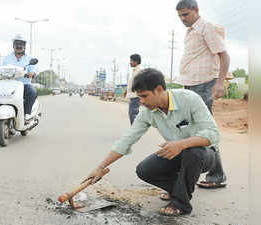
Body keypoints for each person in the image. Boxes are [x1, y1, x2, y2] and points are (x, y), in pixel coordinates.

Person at [83, 68, 219, 216]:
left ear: (159, 89)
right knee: (145, 170)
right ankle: (180, 189)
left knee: (193, 152)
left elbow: (213, 134)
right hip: (176, 153)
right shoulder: (147, 112)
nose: (141, 101)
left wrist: (182, 144)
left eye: (144, 96)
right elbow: (126, 140)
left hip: (204, 155)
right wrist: (100, 167)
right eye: (139, 97)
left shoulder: (189, 99)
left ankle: (181, 203)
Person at [176, 0, 230, 188]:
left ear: (196, 10)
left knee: (204, 130)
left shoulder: (206, 27)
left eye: (186, 14)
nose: (182, 19)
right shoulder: (191, 31)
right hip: (190, 85)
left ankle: (216, 175)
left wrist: (220, 83)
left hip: (204, 85)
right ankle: (202, 172)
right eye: (180, 16)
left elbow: (224, 55)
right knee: (191, 130)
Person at [0, 34, 38, 122]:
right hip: (9, 84)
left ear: (24, 46)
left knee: (32, 92)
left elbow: (34, 70)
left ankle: (26, 114)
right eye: (17, 44)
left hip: (24, 85)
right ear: (13, 46)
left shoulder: (29, 58)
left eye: (21, 44)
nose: (19, 46)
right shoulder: (7, 58)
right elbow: (0, 68)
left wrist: (32, 73)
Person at [126, 54, 144, 124]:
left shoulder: (139, 70)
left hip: (135, 95)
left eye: (131, 61)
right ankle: (134, 131)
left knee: (133, 114)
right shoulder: (136, 70)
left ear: (135, 62)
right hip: (133, 95)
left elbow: (140, 83)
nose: (130, 62)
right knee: (133, 113)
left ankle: (134, 132)